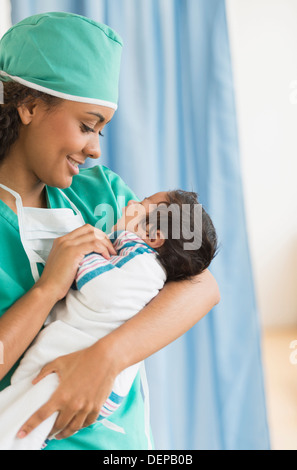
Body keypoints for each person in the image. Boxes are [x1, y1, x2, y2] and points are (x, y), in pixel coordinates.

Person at [0, 12, 220, 450]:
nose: (95, 148)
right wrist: (48, 289)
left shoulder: (105, 194)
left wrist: (104, 359)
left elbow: (201, 285)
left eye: (101, 129)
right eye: (86, 125)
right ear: (28, 106)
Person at [0, 189, 218, 450]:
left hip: (81, 369)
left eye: (142, 204)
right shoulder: (135, 254)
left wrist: (82, 258)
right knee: (18, 413)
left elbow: (106, 289)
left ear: (154, 236)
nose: (131, 203)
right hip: (68, 363)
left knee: (22, 427)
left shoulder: (144, 263)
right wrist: (49, 287)